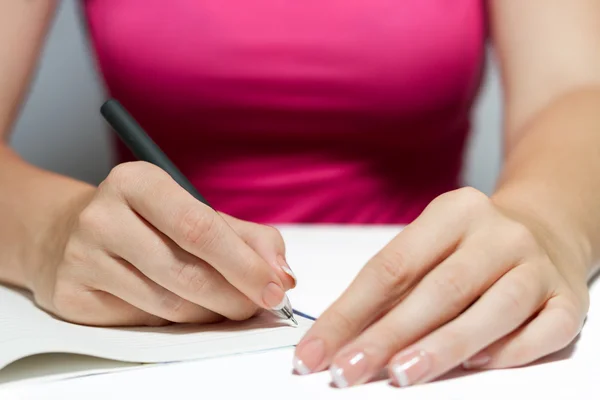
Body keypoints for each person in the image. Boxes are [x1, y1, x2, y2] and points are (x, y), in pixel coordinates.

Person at [1, 0, 600, 390]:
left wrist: (547, 223)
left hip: (428, 314)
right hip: (137, 326)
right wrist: (47, 229)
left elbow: (574, 91)